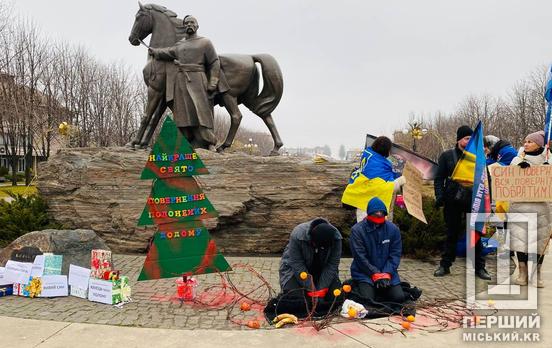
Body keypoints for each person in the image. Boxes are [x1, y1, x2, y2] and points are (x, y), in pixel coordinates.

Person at [150, 15, 228, 149]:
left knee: (201, 112)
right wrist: (155, 51)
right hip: (180, 82)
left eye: (192, 22)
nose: (189, 25)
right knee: (182, 113)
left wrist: (213, 82)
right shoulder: (180, 44)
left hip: (198, 79)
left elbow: (215, 62)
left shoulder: (205, 42)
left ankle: (208, 141)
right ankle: (186, 140)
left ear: (197, 26)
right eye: (186, 23)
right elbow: (168, 52)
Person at [434, 125, 491, 280]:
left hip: (474, 202)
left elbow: (486, 179)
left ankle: (480, 268)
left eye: (471, 138)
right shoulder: (447, 156)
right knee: (451, 234)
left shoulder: (478, 157)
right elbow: (439, 179)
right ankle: (445, 265)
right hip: (452, 202)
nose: (469, 140)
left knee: (476, 234)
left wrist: (488, 201)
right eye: (467, 138)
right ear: (459, 139)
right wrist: (439, 196)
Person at [509, 131, 552, 288]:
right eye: (525, 141)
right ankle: (522, 272)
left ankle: (537, 274)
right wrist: (518, 170)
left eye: (530, 142)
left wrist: (546, 170)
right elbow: (507, 180)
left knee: (539, 241)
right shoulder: (517, 159)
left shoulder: (548, 159)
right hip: (519, 206)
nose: (525, 144)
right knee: (520, 240)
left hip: (541, 208)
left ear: (539, 145)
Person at [349, 197, 405, 304]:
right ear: (369, 214)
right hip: (364, 272)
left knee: (398, 298)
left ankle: (380, 288)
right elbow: (360, 257)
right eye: (376, 214)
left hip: (387, 273)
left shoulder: (393, 229)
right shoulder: (357, 231)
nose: (379, 216)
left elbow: (395, 255)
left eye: (382, 214)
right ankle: (357, 285)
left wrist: (386, 273)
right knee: (368, 299)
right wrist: (374, 273)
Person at [342, 136, 406, 223]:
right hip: (368, 210)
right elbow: (386, 187)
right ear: (386, 150)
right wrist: (402, 179)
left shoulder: (370, 158)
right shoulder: (378, 166)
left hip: (362, 203)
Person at [279, 218, 343, 304]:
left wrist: (320, 290)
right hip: (295, 271)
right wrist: (311, 288)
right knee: (296, 300)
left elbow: (332, 265)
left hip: (322, 271)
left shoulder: (336, 238)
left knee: (336, 298)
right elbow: (296, 263)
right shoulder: (297, 234)